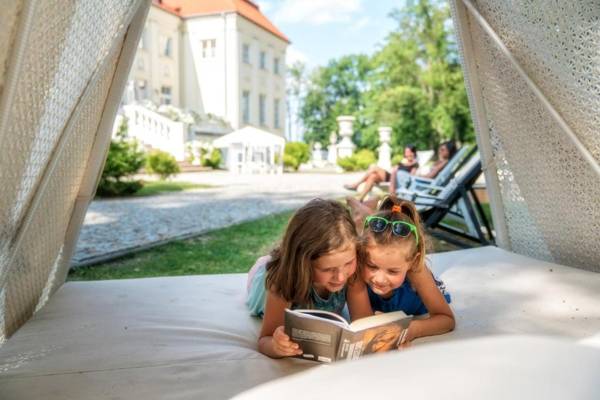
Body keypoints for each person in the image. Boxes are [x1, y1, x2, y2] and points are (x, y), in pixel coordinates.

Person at [246, 198, 373, 358]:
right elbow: (265, 340)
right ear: (303, 262)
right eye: (327, 269)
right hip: (262, 282)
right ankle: (266, 261)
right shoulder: (282, 280)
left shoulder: (352, 273)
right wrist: (276, 346)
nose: (340, 277)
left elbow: (364, 322)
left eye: (348, 262)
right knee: (266, 265)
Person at [348, 195, 455, 349]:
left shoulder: (417, 269)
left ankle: (361, 209)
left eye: (392, 271)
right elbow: (362, 323)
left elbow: (446, 319)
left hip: (418, 309)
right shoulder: (357, 269)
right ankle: (361, 210)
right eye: (372, 266)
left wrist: (411, 330)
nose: (380, 279)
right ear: (361, 254)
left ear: (412, 261)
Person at [344, 145, 419, 202]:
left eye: (408, 152)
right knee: (373, 176)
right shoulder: (404, 161)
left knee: (374, 168)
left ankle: (356, 184)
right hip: (391, 176)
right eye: (405, 152)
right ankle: (361, 198)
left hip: (397, 180)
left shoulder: (415, 164)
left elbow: (411, 177)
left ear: (413, 152)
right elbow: (394, 168)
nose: (406, 154)